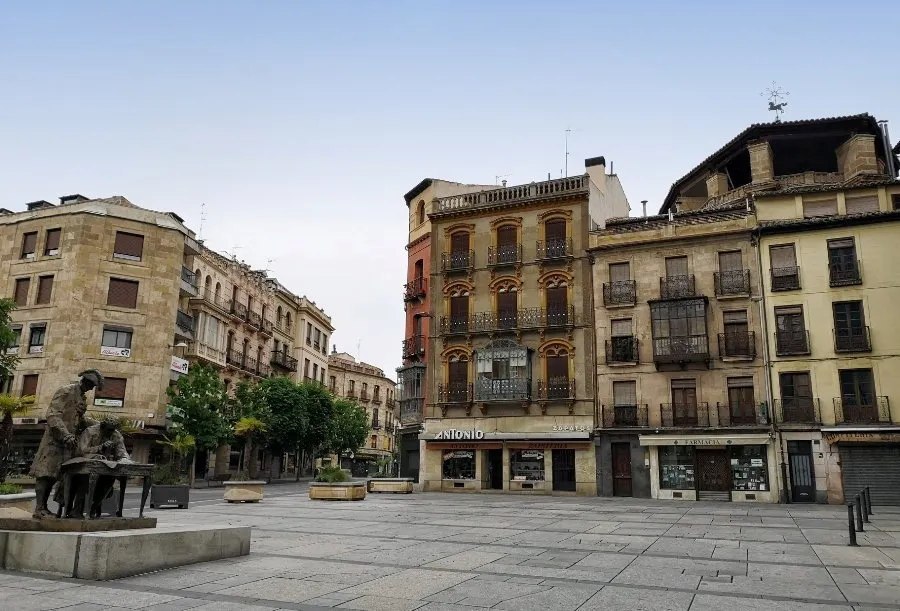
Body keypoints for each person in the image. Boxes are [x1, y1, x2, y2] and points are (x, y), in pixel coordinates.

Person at [29, 370, 104, 519]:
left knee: (55, 475)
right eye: (90, 384)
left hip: (68, 443)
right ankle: (39, 508)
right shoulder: (66, 391)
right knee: (45, 473)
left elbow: (78, 421)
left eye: (93, 386)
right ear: (84, 380)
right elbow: (53, 414)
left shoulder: (82, 398)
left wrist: (98, 425)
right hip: (54, 440)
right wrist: (64, 434)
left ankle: (45, 507)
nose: (90, 388)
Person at [74, 418, 132, 518]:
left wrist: (124, 458)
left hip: (104, 466)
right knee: (84, 483)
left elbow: (122, 451)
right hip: (84, 464)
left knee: (109, 481)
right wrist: (100, 447)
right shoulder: (90, 431)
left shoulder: (116, 435)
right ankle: (77, 511)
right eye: (108, 430)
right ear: (102, 427)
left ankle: (94, 507)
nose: (111, 432)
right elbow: (82, 450)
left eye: (113, 430)